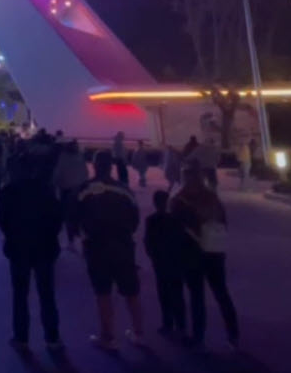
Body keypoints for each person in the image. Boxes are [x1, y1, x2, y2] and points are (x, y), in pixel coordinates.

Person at [78, 150, 146, 351]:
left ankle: (108, 337)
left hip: (97, 248)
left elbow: (75, 218)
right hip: (123, 247)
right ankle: (139, 333)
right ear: (111, 167)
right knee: (131, 292)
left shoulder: (84, 190)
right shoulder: (124, 190)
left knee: (103, 293)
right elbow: (135, 219)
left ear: (94, 165)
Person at [0, 154, 63, 350]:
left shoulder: (9, 191)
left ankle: (21, 337)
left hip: (18, 249)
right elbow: (57, 219)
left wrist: (12, 236)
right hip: (45, 248)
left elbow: (3, 220)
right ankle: (52, 338)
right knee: (47, 294)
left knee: (20, 295)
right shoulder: (46, 190)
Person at [172, 164, 239, 350]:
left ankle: (198, 336)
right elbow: (223, 222)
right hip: (215, 252)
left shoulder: (179, 200)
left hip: (192, 254)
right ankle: (233, 334)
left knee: (197, 296)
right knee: (221, 293)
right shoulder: (212, 198)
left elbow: (174, 230)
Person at [144, 189, 194, 338]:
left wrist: (153, 256)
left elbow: (148, 242)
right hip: (175, 261)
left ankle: (167, 323)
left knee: (164, 294)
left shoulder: (151, 220)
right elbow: (183, 240)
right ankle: (181, 325)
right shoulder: (176, 220)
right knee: (177, 294)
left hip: (160, 262)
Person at [52, 141, 87, 242]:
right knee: (78, 214)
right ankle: (78, 234)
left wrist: (54, 183)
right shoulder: (79, 157)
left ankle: (71, 239)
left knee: (68, 215)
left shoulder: (63, 158)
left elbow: (57, 174)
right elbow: (85, 172)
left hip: (67, 190)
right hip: (79, 190)